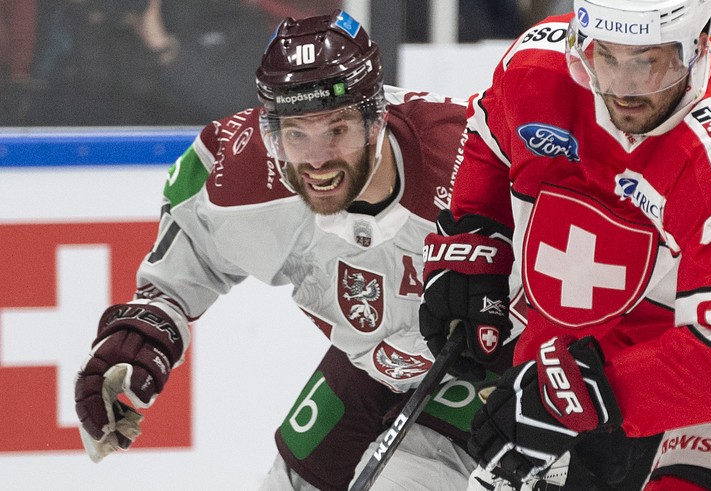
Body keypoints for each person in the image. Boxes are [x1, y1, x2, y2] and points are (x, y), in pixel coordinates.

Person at [73, 10, 522, 490]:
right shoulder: (249, 176)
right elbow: (194, 227)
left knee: (407, 479)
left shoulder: (471, 160)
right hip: (371, 362)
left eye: (337, 129)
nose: (316, 159)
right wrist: (146, 330)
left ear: (377, 119)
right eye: (295, 133)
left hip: (491, 361)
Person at [418, 0, 711, 489]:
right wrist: (477, 237)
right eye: (605, 55)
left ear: (698, 44)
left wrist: (570, 397)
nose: (621, 88)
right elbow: (489, 140)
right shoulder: (539, 63)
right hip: (597, 336)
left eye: (648, 61)